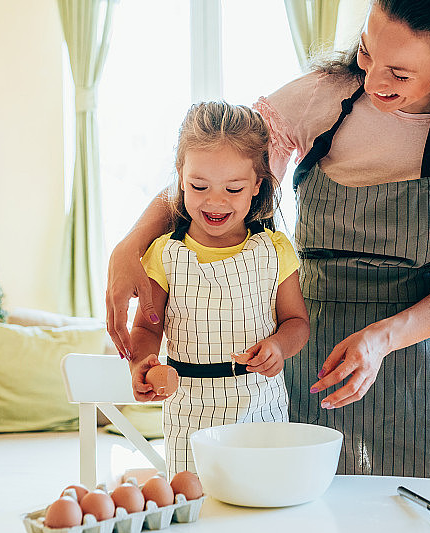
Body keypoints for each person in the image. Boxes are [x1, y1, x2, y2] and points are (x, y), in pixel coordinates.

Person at [108, 0, 430, 480]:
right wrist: (130, 245)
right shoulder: (321, 97)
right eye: (366, 52)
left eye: (398, 73)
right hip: (304, 357)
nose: (372, 81)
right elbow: (219, 173)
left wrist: (382, 339)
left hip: (412, 363)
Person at [127, 101, 310, 477]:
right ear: (181, 178)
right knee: (197, 501)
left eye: (233, 188)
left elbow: (297, 323)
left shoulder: (274, 250)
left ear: (256, 185)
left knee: (261, 495)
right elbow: (146, 326)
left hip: (261, 407)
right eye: (199, 186)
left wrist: (279, 346)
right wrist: (142, 363)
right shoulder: (165, 254)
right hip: (189, 414)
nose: (215, 201)